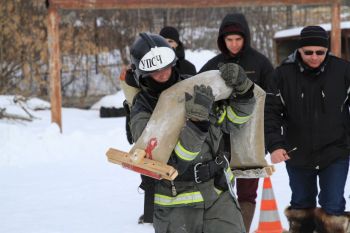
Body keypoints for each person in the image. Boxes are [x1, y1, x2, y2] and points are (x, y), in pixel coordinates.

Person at [129, 32, 256, 233]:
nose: (163, 74)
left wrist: (244, 92)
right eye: (155, 71)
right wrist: (196, 125)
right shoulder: (142, 110)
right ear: (141, 74)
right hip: (175, 205)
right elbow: (169, 163)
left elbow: (232, 122)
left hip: (218, 195)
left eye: (165, 67)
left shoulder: (197, 87)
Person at [265, 25, 350, 233]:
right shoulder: (281, 75)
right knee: (302, 205)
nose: (314, 57)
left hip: (335, 151)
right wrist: (275, 144)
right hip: (298, 152)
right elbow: (270, 113)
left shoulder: (344, 71)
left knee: (333, 207)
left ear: (327, 50)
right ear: (299, 50)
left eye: (320, 52)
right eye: (308, 52)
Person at [199, 13, 274, 232]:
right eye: (229, 40)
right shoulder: (213, 64)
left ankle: (243, 229)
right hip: (220, 140)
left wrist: (268, 137)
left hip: (251, 139)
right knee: (219, 189)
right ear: (222, 40)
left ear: (246, 38)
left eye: (238, 39)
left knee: (248, 192)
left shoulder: (260, 63)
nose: (233, 44)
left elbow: (271, 101)